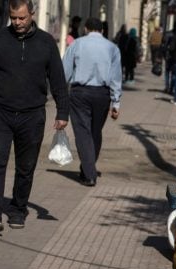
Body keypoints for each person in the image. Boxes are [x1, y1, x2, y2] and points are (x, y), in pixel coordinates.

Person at [0, 0, 69, 234]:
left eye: (22, 18)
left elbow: (57, 79)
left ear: (32, 14)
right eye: (13, 18)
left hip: (32, 114)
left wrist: (62, 111)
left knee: (26, 167)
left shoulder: (46, 43)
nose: (17, 23)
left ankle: (17, 209)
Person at [62, 17, 122, 187]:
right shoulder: (112, 48)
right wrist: (116, 103)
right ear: (102, 30)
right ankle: (88, 168)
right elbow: (116, 77)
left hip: (80, 93)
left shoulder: (76, 44)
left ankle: (89, 174)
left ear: (86, 29)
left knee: (83, 132)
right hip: (103, 95)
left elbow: (65, 70)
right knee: (95, 132)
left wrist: (59, 93)